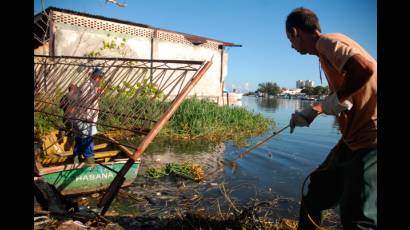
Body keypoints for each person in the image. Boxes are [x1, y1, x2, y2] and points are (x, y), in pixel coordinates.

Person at [285, 7, 377, 229]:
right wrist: (311, 112)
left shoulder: (326, 42)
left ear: (295, 32)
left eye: (290, 40)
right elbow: (342, 95)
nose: (291, 46)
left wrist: (338, 98)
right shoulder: (326, 56)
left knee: (358, 218)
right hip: (351, 140)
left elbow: (366, 69)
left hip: (371, 140)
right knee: (315, 193)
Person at [72, 68, 105, 165]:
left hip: (84, 117)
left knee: (79, 138)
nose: (100, 80)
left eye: (101, 77)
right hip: (86, 117)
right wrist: (97, 94)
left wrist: (98, 93)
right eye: (99, 77)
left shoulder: (91, 85)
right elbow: (84, 99)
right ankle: (89, 161)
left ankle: (76, 159)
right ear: (95, 77)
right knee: (88, 139)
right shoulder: (87, 85)